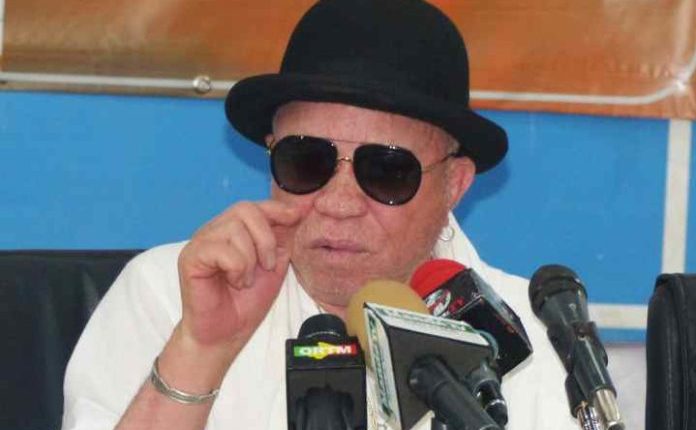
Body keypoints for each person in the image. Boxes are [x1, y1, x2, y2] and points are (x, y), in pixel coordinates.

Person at [62, 0, 577, 429]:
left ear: (455, 184)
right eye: (307, 161)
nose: (338, 203)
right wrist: (200, 350)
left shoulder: (535, 336)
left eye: (386, 171)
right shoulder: (168, 295)